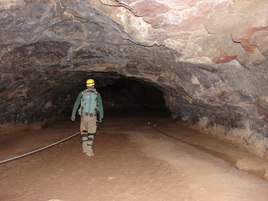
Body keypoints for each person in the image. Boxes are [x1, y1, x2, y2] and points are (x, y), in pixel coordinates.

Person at [71, 79, 104, 157]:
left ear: (86, 85)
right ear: (93, 85)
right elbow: (100, 106)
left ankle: (84, 148)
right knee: (91, 134)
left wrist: (73, 114)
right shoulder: (97, 94)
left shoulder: (82, 93)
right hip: (92, 117)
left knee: (84, 132)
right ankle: (89, 151)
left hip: (83, 116)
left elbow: (76, 104)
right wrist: (101, 116)